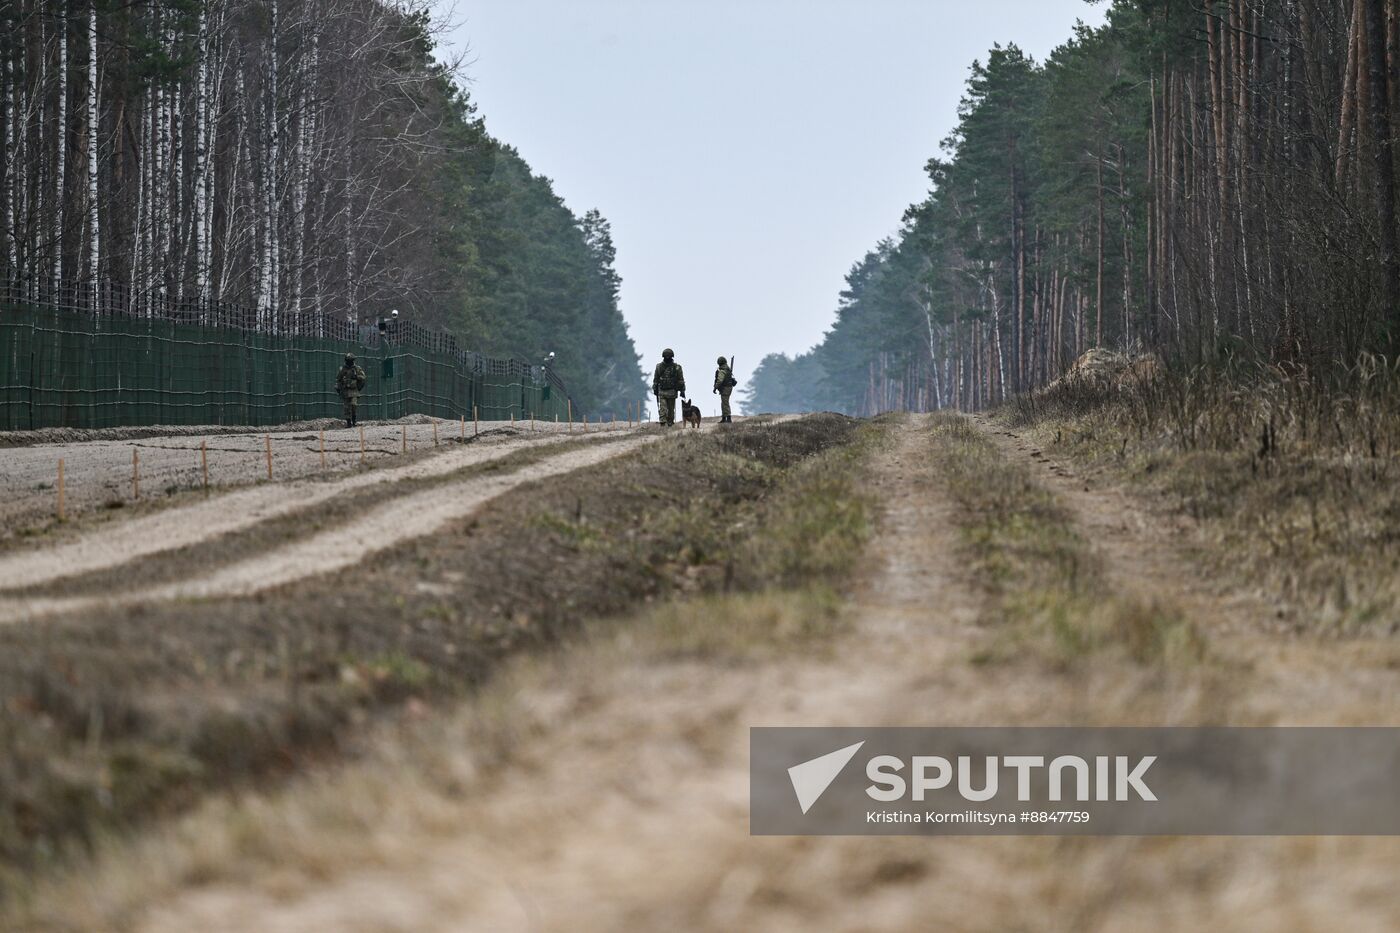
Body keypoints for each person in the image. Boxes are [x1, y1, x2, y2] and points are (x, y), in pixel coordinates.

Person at [651, 348, 685, 426]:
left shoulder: (677, 367)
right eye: (666, 356)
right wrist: (655, 388)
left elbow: (681, 380)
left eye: (668, 356)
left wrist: (682, 390)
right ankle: (663, 422)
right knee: (663, 408)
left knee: (670, 409)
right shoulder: (659, 367)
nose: (667, 357)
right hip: (662, 391)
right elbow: (656, 379)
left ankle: (670, 422)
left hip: (672, 391)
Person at [336, 352, 367, 427]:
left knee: (353, 405)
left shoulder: (357, 368)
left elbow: (363, 377)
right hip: (345, 390)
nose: (349, 362)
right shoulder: (342, 369)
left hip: (354, 390)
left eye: (351, 360)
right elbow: (338, 379)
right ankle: (348, 422)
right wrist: (338, 387)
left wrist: (356, 377)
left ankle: (354, 421)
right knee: (346, 407)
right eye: (348, 360)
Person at [713, 355, 736, 423]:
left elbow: (720, 380)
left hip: (725, 388)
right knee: (724, 403)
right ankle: (724, 418)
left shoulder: (722, 370)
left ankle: (728, 418)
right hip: (729, 387)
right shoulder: (727, 369)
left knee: (725, 403)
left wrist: (715, 387)